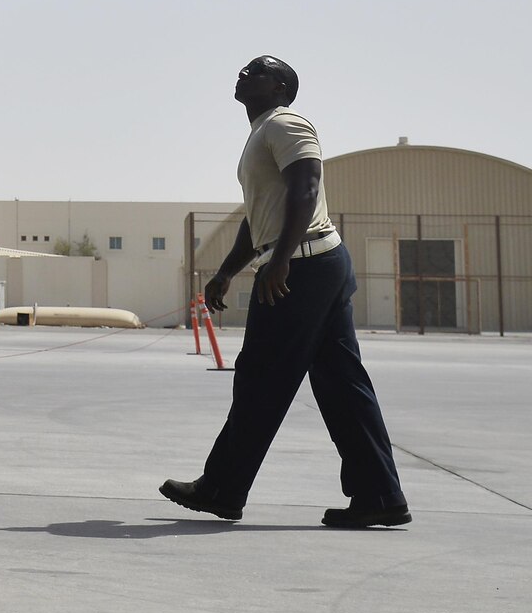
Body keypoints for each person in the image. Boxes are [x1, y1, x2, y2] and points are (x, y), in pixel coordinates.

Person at [160, 56, 409, 528]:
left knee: (260, 378)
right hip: (311, 261)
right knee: (342, 386)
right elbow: (259, 219)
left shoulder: (286, 122)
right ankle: (380, 495)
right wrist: (227, 271)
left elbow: (307, 186)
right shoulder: (260, 135)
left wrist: (278, 261)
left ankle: (222, 488)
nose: (242, 73)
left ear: (279, 87)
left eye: (255, 70)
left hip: (302, 265)